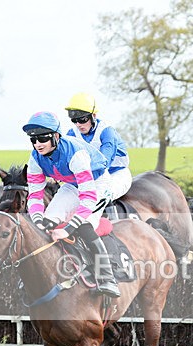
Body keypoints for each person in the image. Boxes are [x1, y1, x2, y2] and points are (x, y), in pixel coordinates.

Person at [22, 111, 120, 298]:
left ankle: (108, 277)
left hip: (97, 184)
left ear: (56, 136)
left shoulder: (76, 154)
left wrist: (67, 229)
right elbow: (34, 196)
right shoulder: (35, 157)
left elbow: (88, 197)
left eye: (42, 138)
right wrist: (38, 219)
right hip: (71, 184)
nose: (37, 144)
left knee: (84, 225)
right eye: (33, 140)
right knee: (45, 223)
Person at [64, 92, 132, 215]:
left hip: (116, 174)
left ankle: (114, 228)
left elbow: (103, 162)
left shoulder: (107, 132)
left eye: (82, 119)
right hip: (90, 176)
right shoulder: (72, 134)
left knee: (103, 194)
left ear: (93, 116)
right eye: (74, 120)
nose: (78, 124)